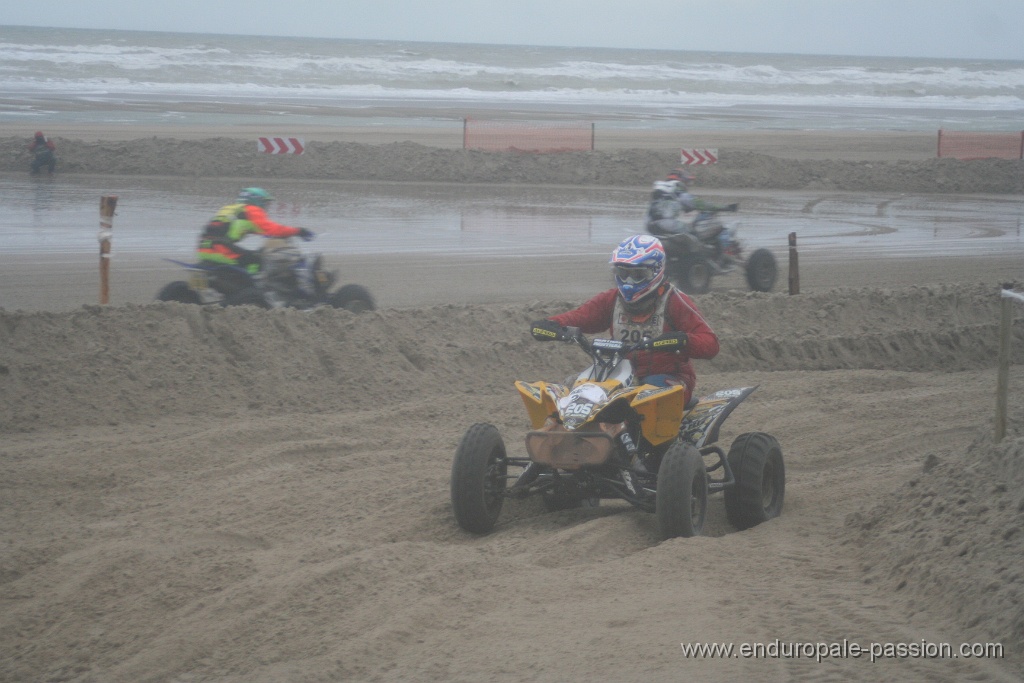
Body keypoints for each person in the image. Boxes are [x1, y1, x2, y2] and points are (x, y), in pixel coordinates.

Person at [531, 234, 719, 407]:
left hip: (670, 376)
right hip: (619, 373)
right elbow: (581, 316)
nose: (629, 281)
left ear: (655, 271)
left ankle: (644, 443)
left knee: (641, 400)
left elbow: (711, 344)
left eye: (637, 275)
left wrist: (684, 340)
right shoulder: (612, 299)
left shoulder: (674, 301)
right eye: (623, 273)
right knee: (572, 390)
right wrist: (553, 324)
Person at [197, 187, 314, 304]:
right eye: (265, 203)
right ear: (256, 201)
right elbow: (271, 229)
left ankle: (235, 292)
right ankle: (255, 295)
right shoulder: (251, 210)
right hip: (220, 249)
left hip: (204, 248)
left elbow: (244, 227)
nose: (266, 208)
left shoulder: (230, 209)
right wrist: (298, 231)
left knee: (247, 258)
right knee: (257, 261)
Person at [645, 168, 738, 239]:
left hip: (649, 225)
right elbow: (701, 204)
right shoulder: (678, 191)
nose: (688, 185)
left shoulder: (662, 191)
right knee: (696, 235)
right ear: (682, 180)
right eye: (687, 182)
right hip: (666, 224)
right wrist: (724, 207)